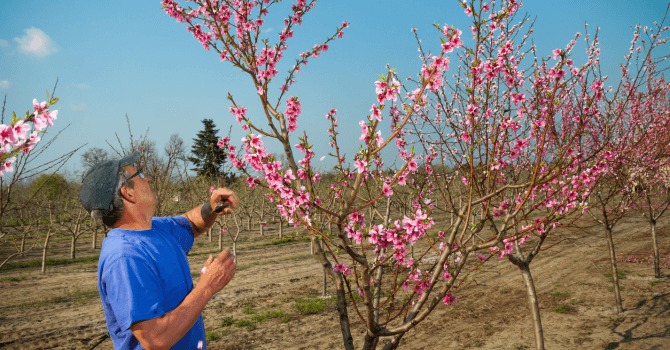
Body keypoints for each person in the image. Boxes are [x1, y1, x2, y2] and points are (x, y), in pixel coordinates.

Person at [79, 151, 238, 350]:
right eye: (140, 175)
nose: (148, 178)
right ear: (128, 193)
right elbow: (155, 340)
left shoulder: (155, 229)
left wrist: (211, 207)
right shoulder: (125, 258)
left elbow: (190, 223)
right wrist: (208, 286)